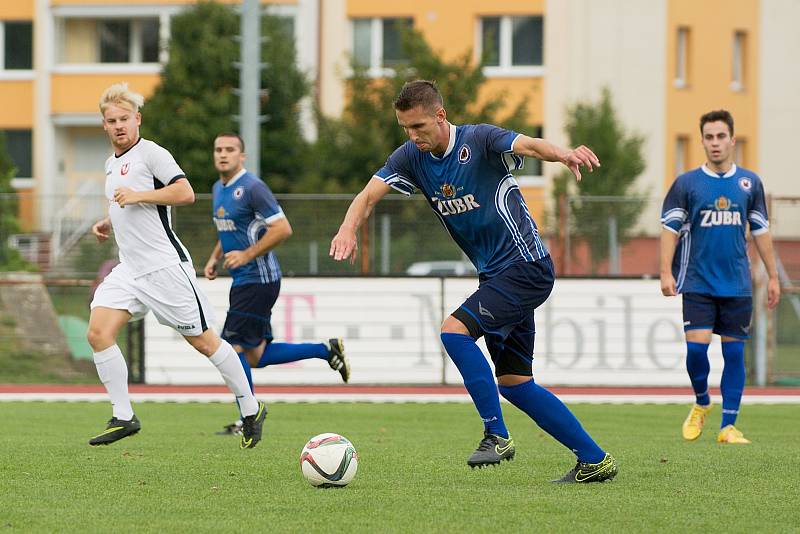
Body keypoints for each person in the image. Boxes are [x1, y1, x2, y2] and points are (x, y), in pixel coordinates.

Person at [330, 80, 617, 483]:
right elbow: (366, 196)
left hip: (525, 266)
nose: (413, 137)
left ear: (441, 116)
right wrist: (347, 230)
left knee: (454, 332)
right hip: (497, 275)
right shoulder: (411, 157)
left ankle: (496, 434)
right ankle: (594, 459)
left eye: (419, 127)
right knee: (516, 384)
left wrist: (564, 154)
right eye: (406, 129)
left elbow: (530, 146)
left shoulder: (479, 140)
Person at [87, 83, 266, 449]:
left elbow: (185, 193)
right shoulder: (112, 163)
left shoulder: (152, 154)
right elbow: (125, 204)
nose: (119, 125)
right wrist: (108, 221)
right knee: (98, 332)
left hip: (165, 268)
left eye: (125, 118)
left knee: (204, 342)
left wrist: (139, 196)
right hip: (130, 269)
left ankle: (251, 409)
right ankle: (123, 415)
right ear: (104, 126)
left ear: (137, 119)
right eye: (111, 120)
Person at [204, 133, 350, 434]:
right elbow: (228, 229)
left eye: (230, 150)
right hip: (245, 281)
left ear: (242, 156)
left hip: (259, 280)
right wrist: (214, 258)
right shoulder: (218, 188)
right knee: (255, 355)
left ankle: (248, 416)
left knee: (230, 348)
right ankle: (326, 350)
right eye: (218, 149)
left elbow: (283, 229)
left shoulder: (253, 188)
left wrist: (246, 255)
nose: (223, 154)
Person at [660, 109, 780, 444]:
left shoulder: (749, 183)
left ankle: (728, 427)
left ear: (732, 139)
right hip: (698, 282)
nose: (715, 143)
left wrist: (772, 276)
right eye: (709, 137)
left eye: (721, 136)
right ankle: (701, 403)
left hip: (738, 284)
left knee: (733, 355)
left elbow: (761, 231)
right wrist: (664, 271)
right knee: (696, 352)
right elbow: (669, 229)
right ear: (702, 141)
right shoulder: (687, 183)